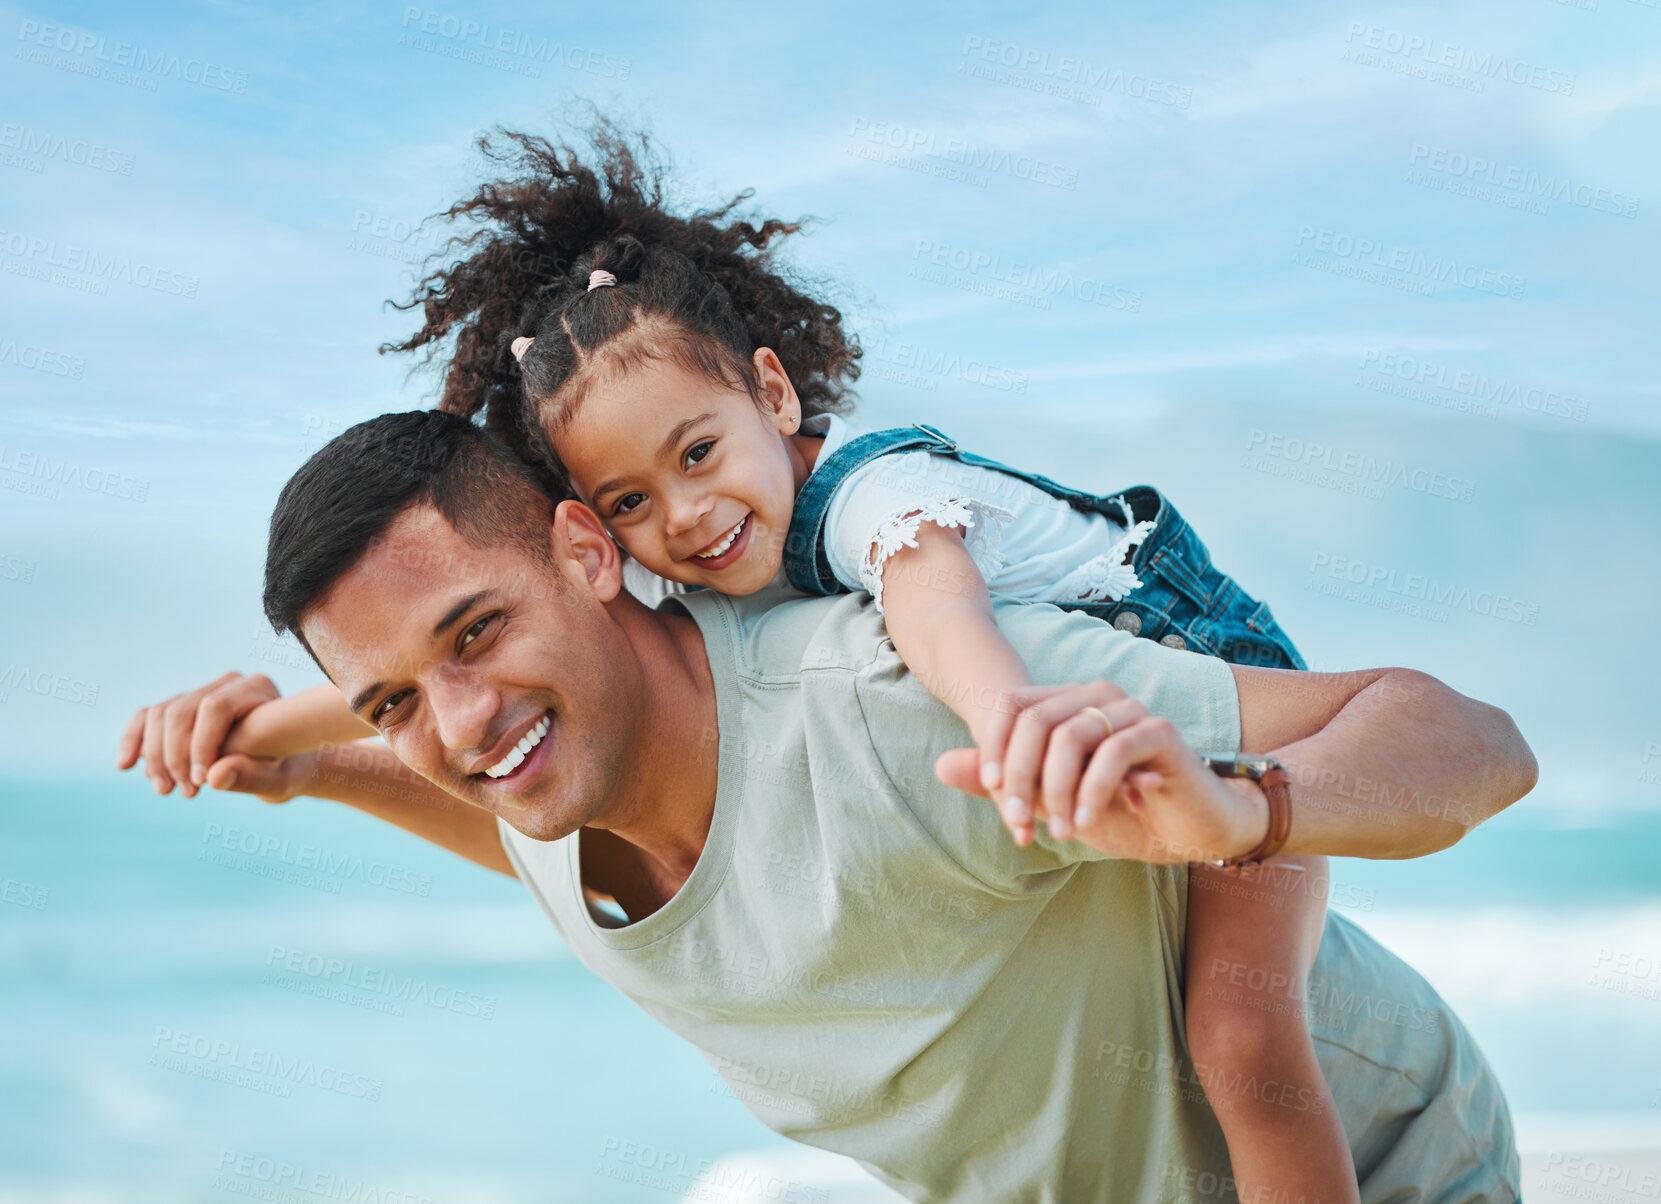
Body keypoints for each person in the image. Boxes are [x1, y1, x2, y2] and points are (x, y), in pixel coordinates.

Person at [138, 122, 1349, 1200]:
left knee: (1242, 1042)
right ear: (596, 528)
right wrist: (285, 748)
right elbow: (458, 729)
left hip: (1195, 674)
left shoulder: (879, 519)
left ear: (772, 392)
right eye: (633, 495)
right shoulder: (681, 560)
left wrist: (1009, 724)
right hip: (1101, 747)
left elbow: (946, 627)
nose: (682, 508)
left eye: (697, 450)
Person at [122, 408, 1535, 1202]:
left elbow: (1465, 736)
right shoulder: (552, 795)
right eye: (393, 702)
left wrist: (1241, 816)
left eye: (477, 632)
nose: (461, 725)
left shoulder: (900, 699)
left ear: (586, 551)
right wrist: (305, 762)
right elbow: (587, 855)